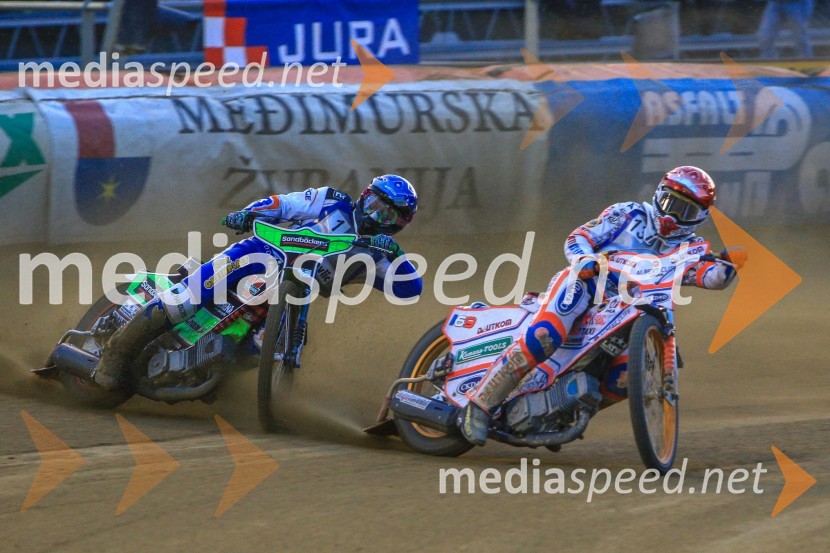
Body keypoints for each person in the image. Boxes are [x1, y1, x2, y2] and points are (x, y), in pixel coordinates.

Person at [458, 166, 748, 446]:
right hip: (586, 284)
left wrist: (731, 264)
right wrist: (584, 260)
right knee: (547, 334)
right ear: (659, 194)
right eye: (670, 202)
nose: (673, 215)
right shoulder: (627, 213)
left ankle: (560, 411)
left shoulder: (692, 248)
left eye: (685, 211)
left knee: (626, 376)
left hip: (631, 309)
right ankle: (479, 405)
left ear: (700, 217)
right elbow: (578, 237)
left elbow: (708, 277)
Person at [93, 175, 422, 390]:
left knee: (264, 346)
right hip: (258, 252)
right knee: (183, 301)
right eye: (375, 206)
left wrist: (394, 254)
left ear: (399, 226)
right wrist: (248, 213)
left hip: (294, 293)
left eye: (388, 216)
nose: (377, 217)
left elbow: (411, 288)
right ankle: (116, 352)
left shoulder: (377, 251)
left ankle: (209, 372)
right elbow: (284, 203)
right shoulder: (331, 201)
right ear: (364, 196)